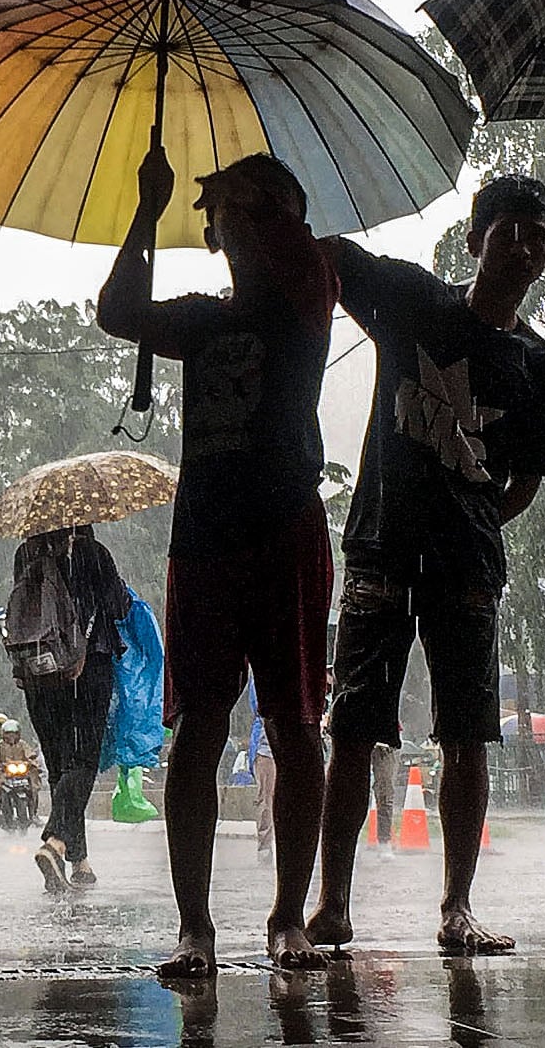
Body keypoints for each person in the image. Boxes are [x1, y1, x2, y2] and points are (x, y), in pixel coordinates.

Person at [307, 175, 545, 957]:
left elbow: (524, 483)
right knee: (355, 729)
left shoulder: (541, 367)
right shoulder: (411, 300)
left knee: (466, 735)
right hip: (380, 548)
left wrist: (470, 524)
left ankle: (457, 908)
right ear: (474, 239)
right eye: (506, 229)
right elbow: (331, 252)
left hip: (469, 570)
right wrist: (279, 200)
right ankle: (332, 905)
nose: (521, 246)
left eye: (537, 236)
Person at [98, 147, 338, 974]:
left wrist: (251, 195)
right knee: (198, 728)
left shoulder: (306, 299)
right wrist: (148, 206)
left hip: (286, 533)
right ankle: (194, 927)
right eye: (222, 217)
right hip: (203, 542)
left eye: (245, 210)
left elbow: (290, 239)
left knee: (295, 725)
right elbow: (117, 311)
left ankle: (288, 918)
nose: (228, 224)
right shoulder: (203, 320)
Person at [13, 526, 128, 891]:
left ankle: (78, 861)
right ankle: (55, 842)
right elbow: (118, 606)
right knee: (83, 760)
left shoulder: (25, 554)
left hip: (39, 670)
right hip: (87, 665)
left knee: (60, 766)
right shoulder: (94, 553)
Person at [246, 680, 276, 862]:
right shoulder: (257, 678)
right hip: (265, 749)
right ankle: (264, 847)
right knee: (266, 800)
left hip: (290, 744)